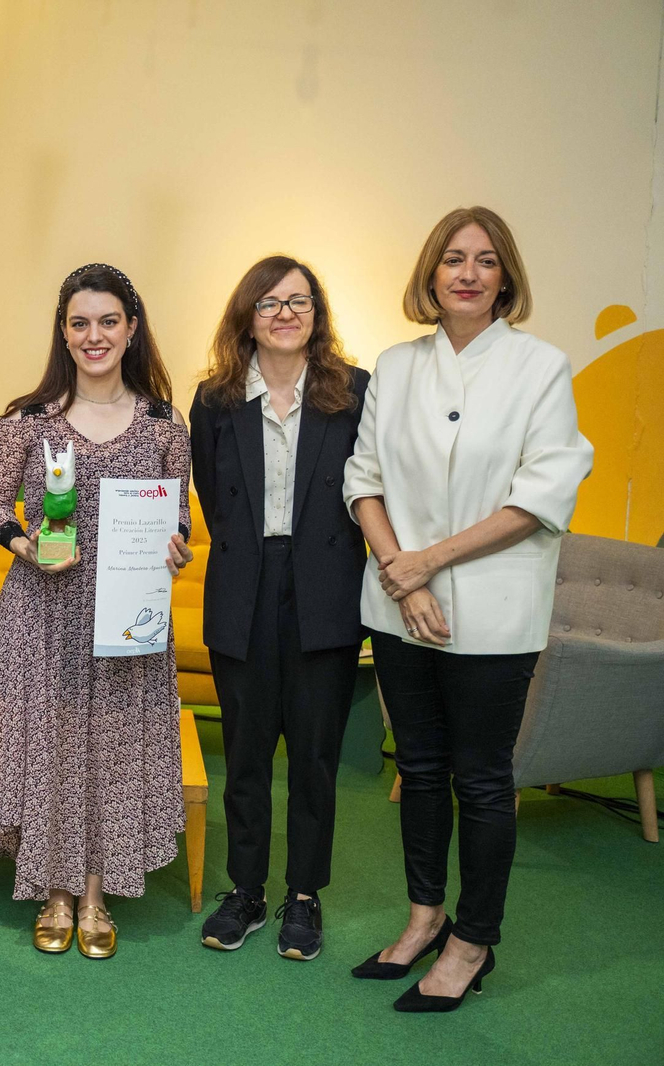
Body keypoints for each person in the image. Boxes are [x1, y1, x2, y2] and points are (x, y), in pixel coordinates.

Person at [343, 207, 592, 1012]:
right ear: (431, 273)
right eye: (453, 258)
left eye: (486, 260)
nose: (468, 273)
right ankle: (424, 916)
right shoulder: (397, 364)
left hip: (493, 612)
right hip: (399, 607)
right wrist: (404, 578)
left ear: (505, 277)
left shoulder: (541, 368)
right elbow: (364, 479)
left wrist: (433, 562)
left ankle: (473, 941)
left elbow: (543, 494)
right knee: (417, 769)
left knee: (482, 781)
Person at [0, 263, 193, 959]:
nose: (94, 336)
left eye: (108, 321)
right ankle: (54, 893)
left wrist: (176, 546)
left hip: (128, 616)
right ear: (64, 333)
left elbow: (177, 512)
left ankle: (95, 893)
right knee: (53, 745)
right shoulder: (25, 422)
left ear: (131, 329)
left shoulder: (164, 423)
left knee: (111, 749)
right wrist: (25, 545)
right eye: (79, 322)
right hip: (42, 611)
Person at [188, 256, 370, 961]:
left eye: (299, 301)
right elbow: (212, 494)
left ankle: (303, 895)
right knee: (247, 752)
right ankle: (247, 891)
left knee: (315, 754)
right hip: (244, 584)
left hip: (325, 583)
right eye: (269, 303)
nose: (285, 313)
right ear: (247, 317)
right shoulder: (216, 400)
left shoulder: (354, 392)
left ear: (317, 315)